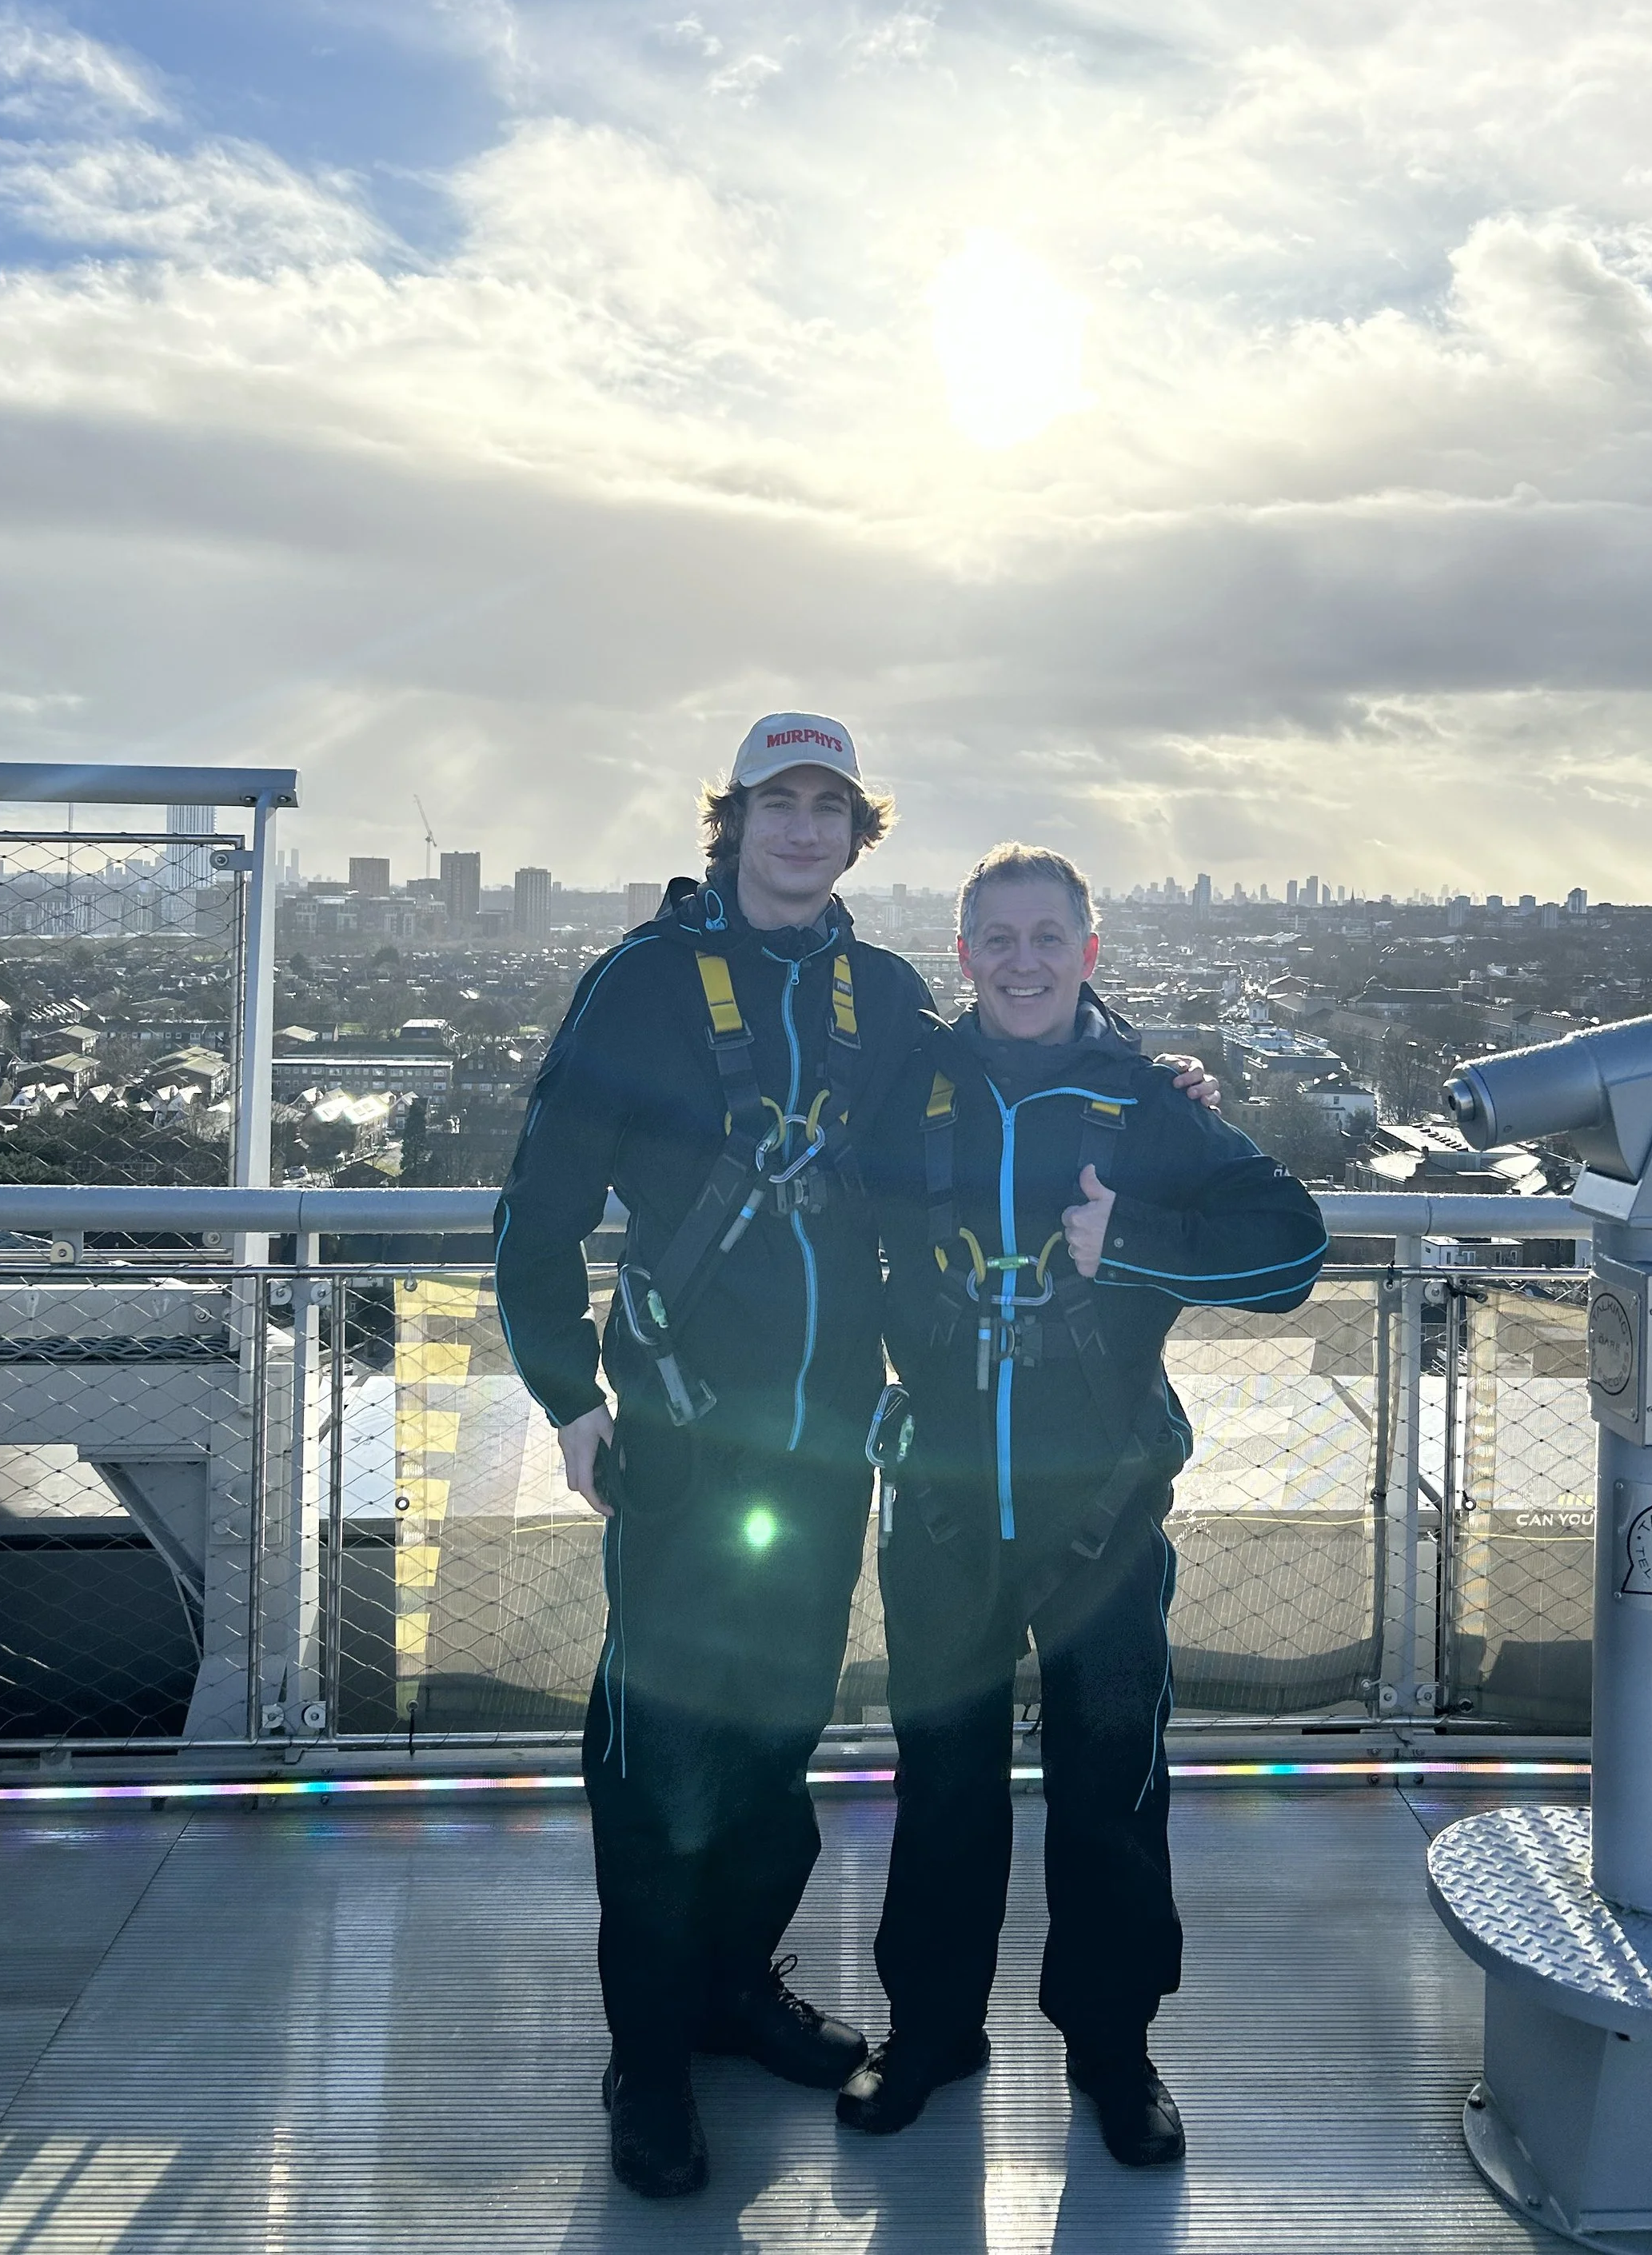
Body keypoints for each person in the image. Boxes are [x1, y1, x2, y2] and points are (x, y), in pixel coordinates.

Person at [493, 713, 932, 2197]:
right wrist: (569, 1393)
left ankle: (734, 1990)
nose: (802, 830)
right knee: (662, 1759)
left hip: (819, 1452)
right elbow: (540, 1207)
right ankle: (649, 2051)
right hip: (679, 1446)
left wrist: (1153, 1090)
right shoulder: (638, 988)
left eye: (828, 807)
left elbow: (986, 1122)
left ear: (857, 831)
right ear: (730, 821)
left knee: (775, 1740)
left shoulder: (886, 997)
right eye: (775, 804)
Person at [837, 844, 1328, 2166]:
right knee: (941, 1786)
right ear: (962, 953)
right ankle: (932, 2032)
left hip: (1103, 1517)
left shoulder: (1146, 1100)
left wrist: (1144, 1247)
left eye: (1048, 936)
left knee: (1112, 1793)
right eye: (996, 937)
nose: (1022, 960)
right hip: (942, 1503)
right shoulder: (910, 1088)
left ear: (1089, 953)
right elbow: (798, 1182)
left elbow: (1294, 1244)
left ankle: (1114, 2051)